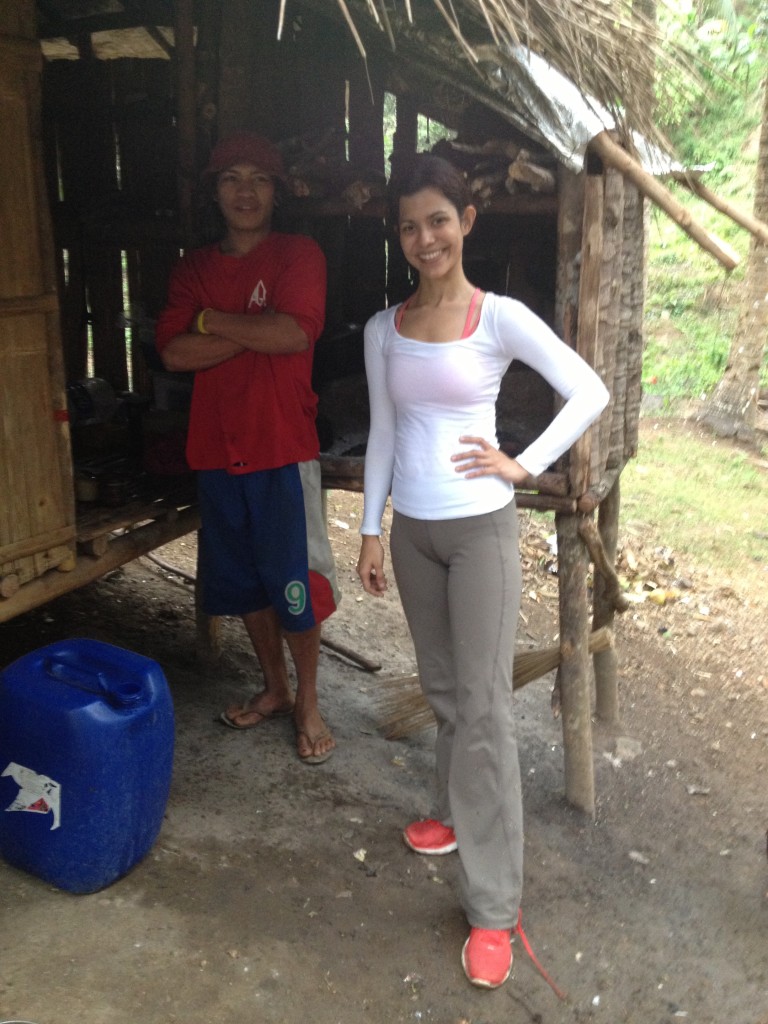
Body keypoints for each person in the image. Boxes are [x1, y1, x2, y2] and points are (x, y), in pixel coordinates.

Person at [356, 154, 609, 988]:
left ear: (467, 220)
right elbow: (385, 434)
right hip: (414, 537)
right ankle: (452, 815)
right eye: (408, 224)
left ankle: (495, 908)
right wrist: (369, 527)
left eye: (438, 219)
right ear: (398, 236)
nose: (423, 237)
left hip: (480, 537)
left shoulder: (498, 317)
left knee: (489, 712)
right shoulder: (383, 329)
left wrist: (523, 465)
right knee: (445, 693)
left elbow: (587, 391)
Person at [156, 131, 340, 765]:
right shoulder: (194, 268)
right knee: (247, 586)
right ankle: (276, 688)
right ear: (215, 192)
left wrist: (211, 321)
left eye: (258, 178)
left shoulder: (298, 254)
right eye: (231, 177)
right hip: (215, 451)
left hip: (281, 448)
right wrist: (250, 333)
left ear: (277, 191)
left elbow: (293, 334)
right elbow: (174, 351)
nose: (244, 190)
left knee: (294, 585)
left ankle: (310, 701)